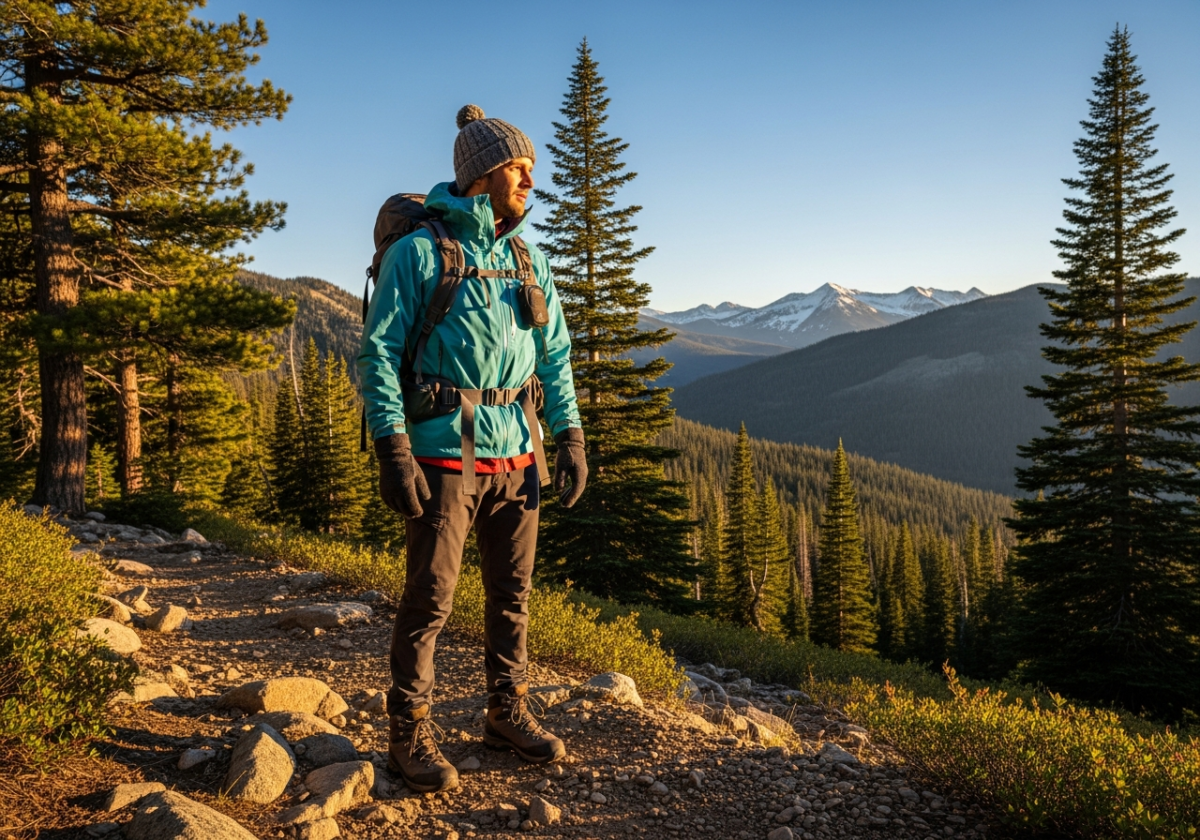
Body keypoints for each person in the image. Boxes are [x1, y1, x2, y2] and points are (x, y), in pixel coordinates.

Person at [357, 104, 587, 793]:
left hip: (518, 454)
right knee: (431, 598)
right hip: (441, 453)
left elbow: (556, 358)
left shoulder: (527, 258)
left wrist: (570, 435)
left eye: (533, 170)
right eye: (520, 168)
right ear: (482, 172)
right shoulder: (418, 253)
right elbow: (379, 352)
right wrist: (392, 449)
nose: (530, 181)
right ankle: (408, 734)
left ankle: (505, 711)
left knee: (512, 595)